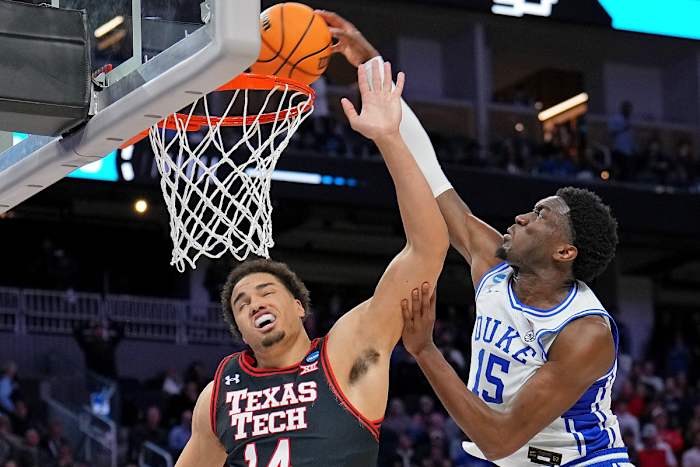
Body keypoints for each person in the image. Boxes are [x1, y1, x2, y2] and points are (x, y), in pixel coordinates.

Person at [312, 10, 630, 466]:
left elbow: (500, 439)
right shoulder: (494, 265)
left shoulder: (583, 332)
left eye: (539, 216)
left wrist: (423, 351)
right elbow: (433, 175)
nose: (520, 217)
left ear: (565, 251)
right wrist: (369, 63)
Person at [174, 61, 449, 465]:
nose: (254, 303)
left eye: (267, 292)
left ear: (299, 307)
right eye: (242, 303)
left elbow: (427, 249)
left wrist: (389, 138)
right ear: (240, 330)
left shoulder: (346, 352)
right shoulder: (218, 396)